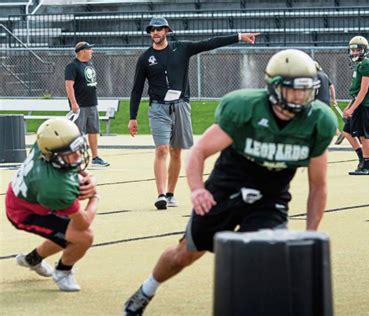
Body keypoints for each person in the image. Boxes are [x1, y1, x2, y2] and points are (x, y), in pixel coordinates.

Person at [123, 48, 337, 315]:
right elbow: (200, 151)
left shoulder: (318, 121)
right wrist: (198, 189)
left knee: (269, 254)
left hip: (270, 197)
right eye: (293, 89)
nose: (300, 96)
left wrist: (311, 231)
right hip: (226, 188)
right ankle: (146, 291)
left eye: (306, 90)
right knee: (185, 254)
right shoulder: (245, 108)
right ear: (273, 86)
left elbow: (319, 185)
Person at [128, 16, 260, 210]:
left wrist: (239, 36)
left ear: (166, 31)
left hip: (181, 105)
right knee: (162, 149)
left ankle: (171, 194)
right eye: (152, 30)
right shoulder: (145, 58)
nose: (155, 33)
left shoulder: (181, 48)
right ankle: (161, 194)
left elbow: (209, 43)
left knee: (176, 151)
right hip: (158, 108)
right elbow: (136, 89)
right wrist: (132, 117)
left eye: (159, 29)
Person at [5, 118, 100, 292]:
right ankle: (63, 272)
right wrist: (95, 196)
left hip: (29, 195)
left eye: (78, 148)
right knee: (83, 236)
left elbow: (68, 158)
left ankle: (32, 259)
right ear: (54, 156)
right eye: (70, 153)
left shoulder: (46, 145)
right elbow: (83, 223)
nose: (78, 155)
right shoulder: (56, 187)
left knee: (65, 234)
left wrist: (86, 176)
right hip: (23, 213)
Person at [65, 41, 110, 167]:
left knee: (93, 130)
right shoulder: (72, 66)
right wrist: (73, 103)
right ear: (82, 51)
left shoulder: (90, 63)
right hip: (80, 105)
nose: (92, 51)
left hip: (92, 103)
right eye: (89, 49)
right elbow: (69, 86)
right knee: (77, 132)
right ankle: (75, 158)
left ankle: (95, 158)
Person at [341, 35, 369, 175]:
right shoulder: (359, 65)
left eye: (358, 50)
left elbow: (363, 91)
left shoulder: (368, 64)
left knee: (363, 135)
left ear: (364, 50)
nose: (355, 53)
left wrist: (352, 108)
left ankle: (366, 166)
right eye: (353, 50)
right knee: (347, 132)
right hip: (358, 103)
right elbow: (357, 92)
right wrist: (349, 105)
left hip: (364, 105)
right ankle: (362, 159)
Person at [313, 61, 344, 144]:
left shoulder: (314, 76)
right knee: (323, 119)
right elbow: (332, 86)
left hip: (317, 101)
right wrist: (334, 99)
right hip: (326, 100)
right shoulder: (324, 75)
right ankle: (338, 134)